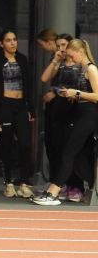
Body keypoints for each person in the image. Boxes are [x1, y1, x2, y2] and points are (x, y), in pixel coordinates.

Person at [34, 38, 98, 205]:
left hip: (88, 115)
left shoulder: (91, 69)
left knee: (68, 152)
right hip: (79, 113)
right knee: (76, 154)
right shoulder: (82, 69)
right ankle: (59, 189)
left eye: (72, 55)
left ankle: (54, 191)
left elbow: (97, 95)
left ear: (80, 52)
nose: (71, 59)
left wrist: (76, 93)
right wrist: (72, 94)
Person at [0, 30, 35, 199]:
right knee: (6, 145)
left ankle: (23, 183)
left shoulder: (22, 59)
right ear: (1, 44)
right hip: (4, 107)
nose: (13, 43)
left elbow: (29, 85)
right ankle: (8, 183)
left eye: (14, 39)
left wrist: (31, 108)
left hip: (21, 106)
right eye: (8, 40)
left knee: (25, 145)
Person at [40, 33, 83, 200]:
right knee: (54, 146)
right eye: (58, 45)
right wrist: (55, 60)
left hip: (73, 107)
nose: (61, 49)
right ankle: (58, 183)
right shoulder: (57, 62)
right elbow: (44, 78)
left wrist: (56, 92)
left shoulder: (79, 63)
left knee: (69, 147)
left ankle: (75, 185)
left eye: (64, 45)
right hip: (56, 108)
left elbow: (83, 85)